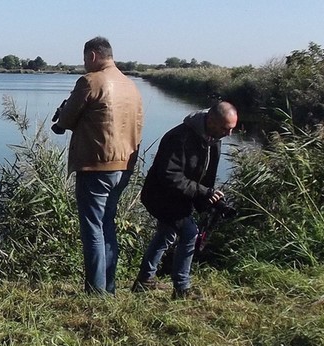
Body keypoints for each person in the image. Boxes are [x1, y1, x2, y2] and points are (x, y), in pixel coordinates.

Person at [51, 37, 143, 294]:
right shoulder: (130, 85)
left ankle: (96, 291)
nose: (83, 65)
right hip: (124, 165)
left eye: (84, 59)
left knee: (92, 228)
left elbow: (67, 120)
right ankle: (109, 287)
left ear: (92, 56)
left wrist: (61, 120)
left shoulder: (91, 81)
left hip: (97, 164)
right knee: (107, 225)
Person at [132, 101, 238, 299]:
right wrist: (202, 191)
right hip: (161, 195)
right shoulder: (179, 137)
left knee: (166, 234)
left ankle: (145, 280)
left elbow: (207, 176)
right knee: (190, 234)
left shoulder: (213, 137)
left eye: (232, 129)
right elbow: (169, 175)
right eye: (226, 128)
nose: (229, 134)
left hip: (181, 196)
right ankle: (181, 289)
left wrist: (208, 197)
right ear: (212, 120)